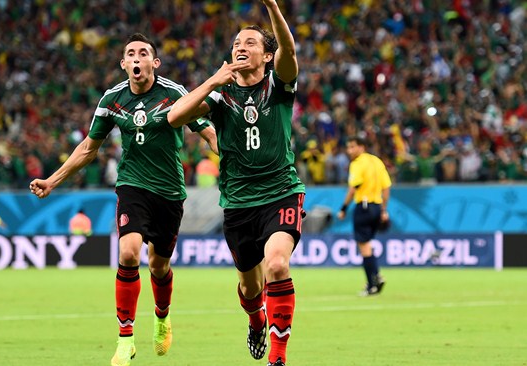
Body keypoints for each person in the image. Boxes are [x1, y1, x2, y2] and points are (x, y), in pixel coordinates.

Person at [29, 33, 218, 366]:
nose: (136, 58)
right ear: (123, 63)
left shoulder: (175, 94)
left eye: (143, 53)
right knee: (129, 253)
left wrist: (231, 163)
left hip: (170, 192)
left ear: (154, 63)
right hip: (132, 186)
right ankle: (125, 339)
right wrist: (53, 181)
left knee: (159, 266)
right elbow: (89, 148)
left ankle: (162, 317)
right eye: (130, 53)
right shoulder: (112, 99)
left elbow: (207, 131)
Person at [168, 2, 305, 365]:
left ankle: (278, 356)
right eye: (236, 45)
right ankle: (256, 319)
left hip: (280, 193)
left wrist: (271, 5)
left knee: (277, 265)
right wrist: (214, 80)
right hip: (238, 202)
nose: (240, 48)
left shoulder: (279, 84)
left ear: (267, 55)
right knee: (249, 286)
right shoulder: (219, 95)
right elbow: (174, 117)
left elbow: (290, 51)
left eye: (250, 43)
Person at [336, 136, 392, 296]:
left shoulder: (357, 163)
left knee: (364, 247)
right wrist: (383, 210)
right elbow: (387, 188)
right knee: (368, 244)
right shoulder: (377, 161)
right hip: (376, 207)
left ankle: (372, 284)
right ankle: (376, 276)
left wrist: (344, 208)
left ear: (361, 147)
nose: (349, 151)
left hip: (364, 207)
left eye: (352, 147)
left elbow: (353, 188)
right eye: (348, 147)